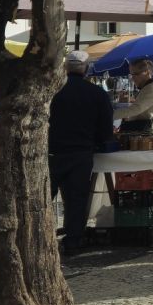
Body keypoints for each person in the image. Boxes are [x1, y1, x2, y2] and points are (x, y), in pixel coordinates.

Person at [48, 51, 113, 251]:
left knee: (43, 198)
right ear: (85, 69)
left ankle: (38, 239)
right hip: (81, 152)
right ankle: (73, 241)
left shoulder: (51, 92)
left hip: (52, 151)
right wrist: (101, 142)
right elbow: (106, 129)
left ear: (65, 68)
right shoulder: (97, 94)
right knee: (76, 199)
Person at [119, 59, 153, 132]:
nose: (133, 78)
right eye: (131, 74)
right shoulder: (147, 88)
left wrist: (110, 114)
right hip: (145, 133)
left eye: (136, 74)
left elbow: (136, 110)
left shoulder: (152, 89)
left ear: (147, 72)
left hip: (150, 134)